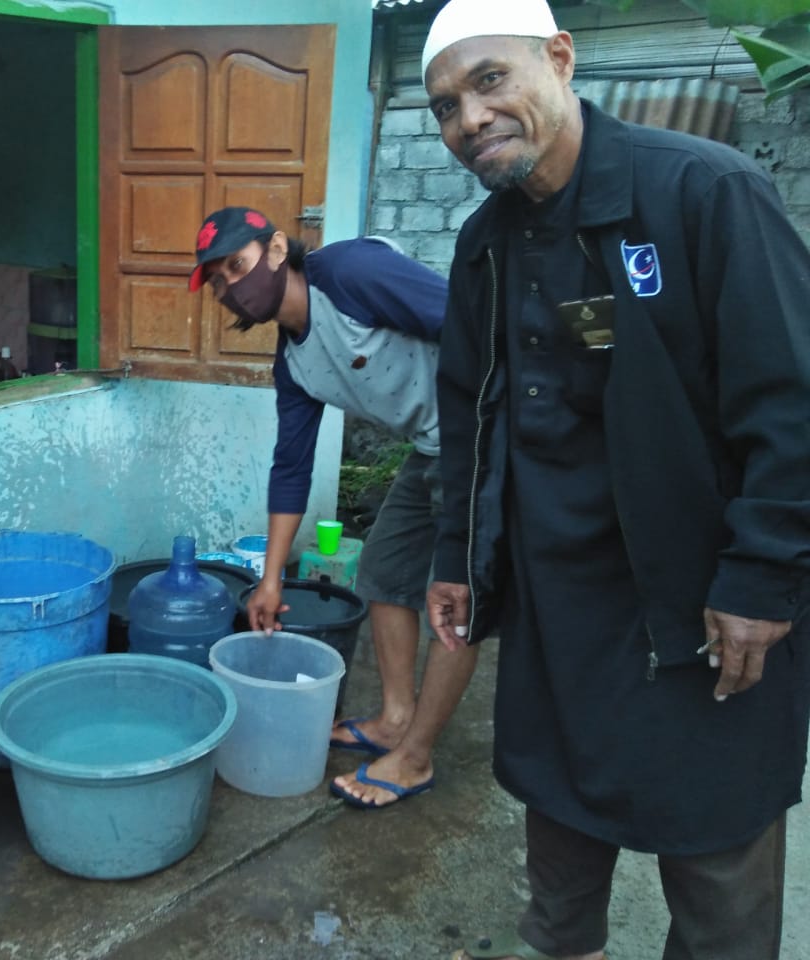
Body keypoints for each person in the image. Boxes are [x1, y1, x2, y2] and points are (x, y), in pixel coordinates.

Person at [421, 2, 810, 958]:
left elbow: (791, 399)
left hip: (701, 611)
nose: (469, 119)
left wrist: (762, 576)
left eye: (489, 80)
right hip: (560, 618)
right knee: (558, 863)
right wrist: (459, 559)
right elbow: (469, 420)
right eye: (444, 106)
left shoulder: (703, 193)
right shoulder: (486, 244)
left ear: (559, 58)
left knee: (720, 882)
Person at [188, 206, 480, 811]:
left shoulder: (349, 274)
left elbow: (472, 324)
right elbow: (291, 468)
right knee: (383, 573)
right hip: (432, 447)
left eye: (236, 268)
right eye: (217, 284)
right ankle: (395, 721)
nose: (231, 291)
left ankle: (415, 754)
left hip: (483, 437)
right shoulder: (294, 365)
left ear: (274, 250)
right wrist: (269, 581)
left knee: (458, 597)